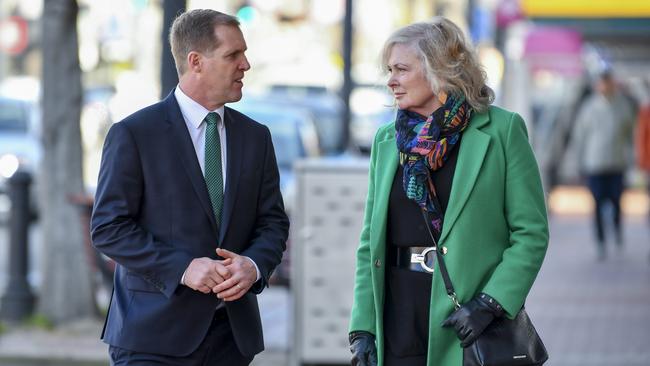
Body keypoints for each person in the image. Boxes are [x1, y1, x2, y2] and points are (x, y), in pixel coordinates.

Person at [90, 9, 289, 365]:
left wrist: (254, 266)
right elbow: (108, 229)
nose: (245, 64)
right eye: (233, 55)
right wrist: (183, 267)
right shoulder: (134, 134)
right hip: (151, 337)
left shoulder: (256, 138)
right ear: (196, 61)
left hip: (232, 338)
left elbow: (272, 222)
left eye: (243, 53)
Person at [348, 17, 549, 366]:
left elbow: (530, 233)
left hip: (469, 318)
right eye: (389, 70)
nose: (391, 81)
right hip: (397, 313)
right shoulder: (386, 141)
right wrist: (363, 327)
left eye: (401, 69)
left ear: (439, 70)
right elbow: (370, 241)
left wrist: (491, 303)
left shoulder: (502, 131)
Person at [572, 70, 636, 260]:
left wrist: (632, 161)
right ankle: (600, 241)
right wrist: (579, 163)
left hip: (617, 164)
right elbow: (580, 137)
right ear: (598, 85)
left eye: (608, 82)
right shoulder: (589, 107)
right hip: (595, 164)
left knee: (617, 202)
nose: (605, 86)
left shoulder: (623, 106)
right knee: (597, 204)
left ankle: (617, 231)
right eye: (602, 83)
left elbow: (630, 135)